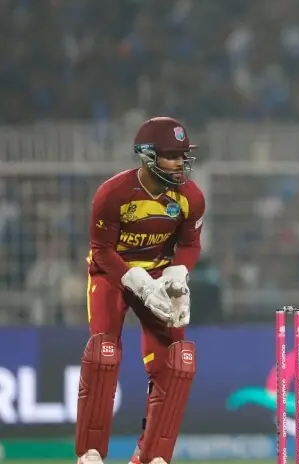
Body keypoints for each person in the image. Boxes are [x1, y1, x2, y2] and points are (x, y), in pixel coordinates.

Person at [75, 117, 205, 464]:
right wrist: (135, 281)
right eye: (171, 156)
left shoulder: (190, 196)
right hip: (112, 274)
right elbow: (102, 251)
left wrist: (178, 274)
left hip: (160, 276)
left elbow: (190, 244)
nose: (180, 163)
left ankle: (152, 455)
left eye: (182, 156)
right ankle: (90, 452)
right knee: (103, 353)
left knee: (177, 362)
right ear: (147, 156)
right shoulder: (113, 194)